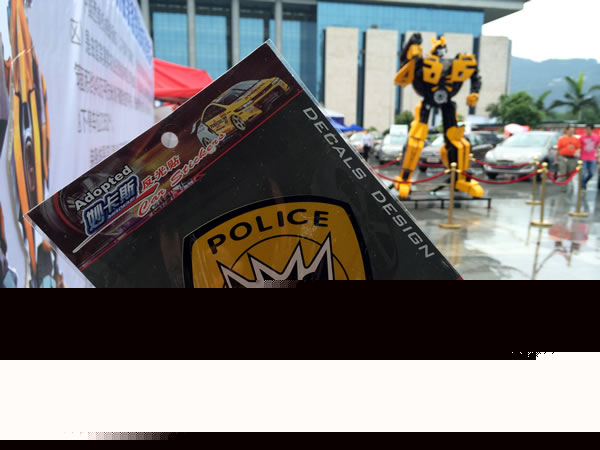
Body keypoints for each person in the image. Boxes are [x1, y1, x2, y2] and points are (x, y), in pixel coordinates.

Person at [556, 126, 580, 191]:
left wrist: (577, 152)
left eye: (573, 130)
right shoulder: (562, 139)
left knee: (570, 173)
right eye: (570, 130)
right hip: (563, 157)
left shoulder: (576, 139)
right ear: (566, 130)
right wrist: (556, 159)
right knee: (563, 173)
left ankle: (568, 184)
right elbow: (558, 149)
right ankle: (563, 187)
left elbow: (578, 148)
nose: (571, 132)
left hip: (572, 158)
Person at [579, 124, 599, 190]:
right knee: (583, 173)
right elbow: (579, 147)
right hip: (583, 157)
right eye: (586, 129)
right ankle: (582, 186)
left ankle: (584, 182)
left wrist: (598, 157)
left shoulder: (596, 137)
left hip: (592, 158)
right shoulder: (582, 137)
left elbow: (597, 147)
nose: (587, 130)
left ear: (592, 129)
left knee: (591, 173)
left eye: (588, 129)